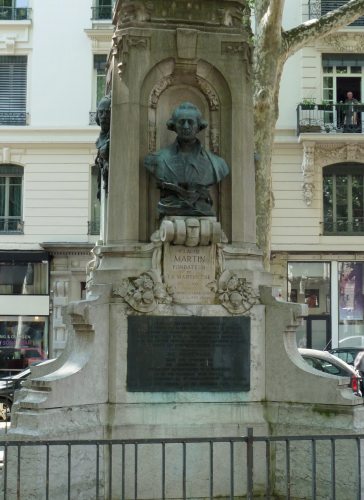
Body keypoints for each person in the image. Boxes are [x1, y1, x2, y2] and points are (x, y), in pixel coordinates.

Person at [144, 102, 229, 217]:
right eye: (181, 122)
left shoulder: (217, 164)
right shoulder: (156, 160)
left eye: (190, 122)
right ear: (173, 126)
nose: (186, 126)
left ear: (199, 126)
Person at [95, 95, 111, 199]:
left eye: (107, 112)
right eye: (101, 112)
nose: (104, 116)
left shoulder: (113, 137)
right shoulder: (100, 138)